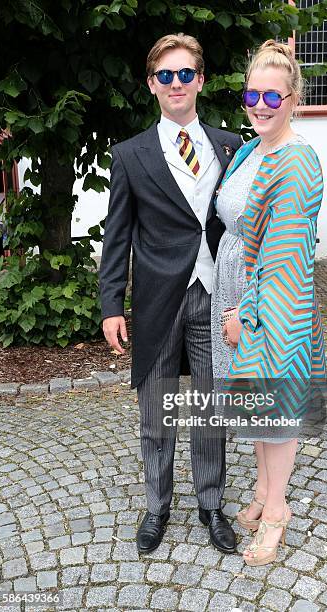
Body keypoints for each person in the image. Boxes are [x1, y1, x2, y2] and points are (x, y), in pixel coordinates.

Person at [99, 33, 241, 555]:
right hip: (159, 297)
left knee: (211, 408)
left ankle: (211, 505)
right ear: (151, 84)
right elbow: (117, 237)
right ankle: (156, 508)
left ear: (200, 80)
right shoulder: (130, 155)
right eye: (166, 75)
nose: (176, 83)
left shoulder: (229, 146)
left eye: (185, 74)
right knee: (156, 410)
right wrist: (111, 304)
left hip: (214, 295)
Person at [212, 40, 326, 567]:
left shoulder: (296, 160)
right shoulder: (251, 148)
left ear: (293, 98)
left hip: (275, 304)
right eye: (251, 94)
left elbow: (283, 260)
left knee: (274, 412)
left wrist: (248, 316)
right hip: (239, 287)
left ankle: (277, 510)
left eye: (272, 97)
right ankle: (262, 490)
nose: (260, 104)